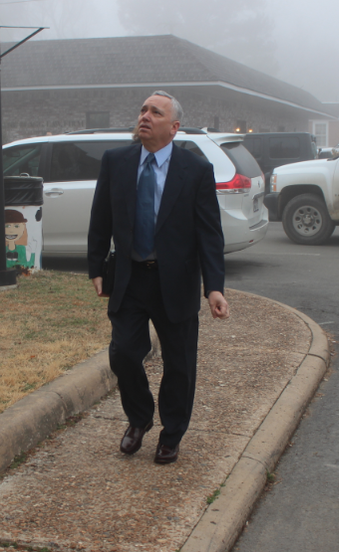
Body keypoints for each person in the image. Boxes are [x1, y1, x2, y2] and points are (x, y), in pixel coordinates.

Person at [87, 91, 229, 465]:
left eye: (156, 112)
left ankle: (171, 433)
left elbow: (209, 233)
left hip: (176, 282)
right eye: (143, 109)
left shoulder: (194, 170)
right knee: (123, 354)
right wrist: (95, 267)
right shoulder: (116, 162)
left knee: (179, 364)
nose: (145, 116)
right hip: (130, 278)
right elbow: (100, 217)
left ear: (174, 127)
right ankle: (139, 418)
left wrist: (214, 286)